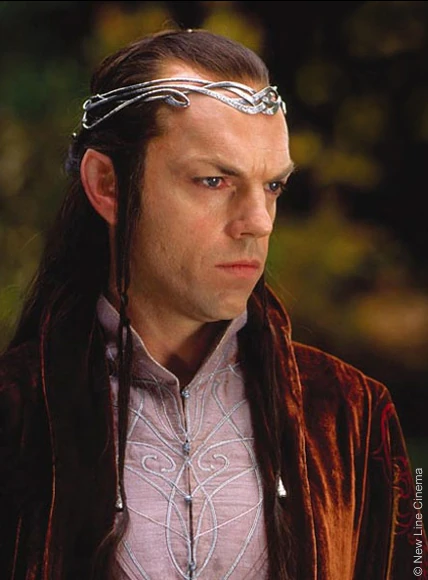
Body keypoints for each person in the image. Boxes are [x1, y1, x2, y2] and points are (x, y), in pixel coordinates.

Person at [0, 27, 426, 580]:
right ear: (108, 185)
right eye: (213, 180)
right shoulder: (16, 416)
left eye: (273, 186)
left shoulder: (351, 417)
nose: (258, 222)